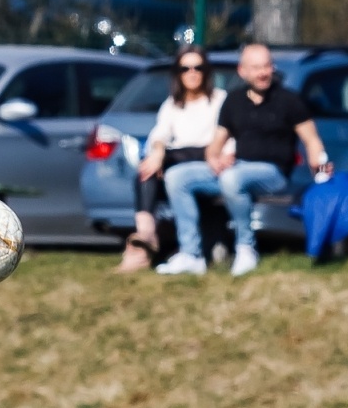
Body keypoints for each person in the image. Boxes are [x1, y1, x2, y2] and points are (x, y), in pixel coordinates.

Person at [159, 44, 331, 277]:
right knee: (176, 177)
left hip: (273, 173)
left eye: (267, 66)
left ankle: (246, 248)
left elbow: (311, 139)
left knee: (232, 179)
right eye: (256, 67)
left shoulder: (289, 100)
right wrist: (213, 160)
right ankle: (191, 255)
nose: (262, 72)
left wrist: (318, 162)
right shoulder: (233, 101)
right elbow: (216, 145)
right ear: (243, 71)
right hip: (238, 169)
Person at [118, 45, 228, 272]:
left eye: (198, 67)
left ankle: (178, 250)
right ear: (177, 73)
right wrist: (157, 153)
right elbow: (159, 134)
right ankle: (145, 237)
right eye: (185, 68)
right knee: (146, 170)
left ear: (206, 71)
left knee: (170, 166)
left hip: (208, 165)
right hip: (176, 163)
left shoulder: (220, 100)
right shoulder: (171, 105)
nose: (192, 72)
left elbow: (226, 140)